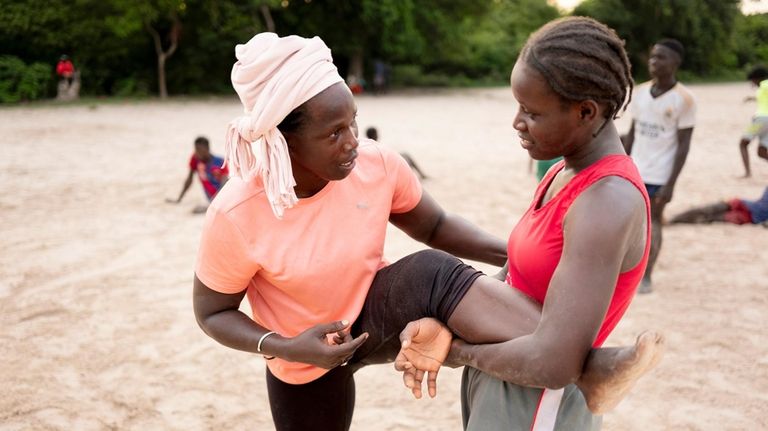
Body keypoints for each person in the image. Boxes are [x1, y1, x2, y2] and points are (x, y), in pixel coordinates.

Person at [192, 32, 662, 431]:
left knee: (430, 273)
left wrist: (515, 256)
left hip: (373, 313)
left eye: (353, 122)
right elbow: (213, 312)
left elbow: (435, 226)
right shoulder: (238, 213)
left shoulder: (374, 164)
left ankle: (577, 361)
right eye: (334, 133)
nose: (354, 141)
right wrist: (283, 346)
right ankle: (585, 362)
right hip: (303, 350)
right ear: (284, 140)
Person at [394, 17, 661, 430]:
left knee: (434, 271)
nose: (517, 122)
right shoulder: (562, 173)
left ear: (585, 112)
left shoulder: (607, 201)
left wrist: (459, 351)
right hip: (504, 374)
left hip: (536, 399)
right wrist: (445, 326)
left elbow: (553, 364)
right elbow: (513, 278)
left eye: (531, 112)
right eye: (518, 106)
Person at [622, 38, 696, 294]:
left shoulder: (684, 99)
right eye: (653, 56)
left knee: (653, 223)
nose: (654, 62)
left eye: (661, 57)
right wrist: (622, 164)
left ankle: (647, 277)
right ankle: (626, 273)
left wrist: (671, 183)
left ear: (675, 62)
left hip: (660, 175)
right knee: (627, 223)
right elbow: (632, 133)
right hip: (634, 170)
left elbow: (684, 145)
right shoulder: (640, 92)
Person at [166, 136, 228, 213]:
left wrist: (215, 202)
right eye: (196, 150)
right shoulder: (195, 159)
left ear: (207, 148)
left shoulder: (220, 162)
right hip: (211, 200)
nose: (197, 153)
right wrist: (179, 199)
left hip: (222, 198)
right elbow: (189, 179)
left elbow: (225, 182)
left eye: (200, 150)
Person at [670, 186, 768, 226]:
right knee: (709, 214)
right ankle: (675, 219)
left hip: (749, 214)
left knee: (709, 213)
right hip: (749, 212)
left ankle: (675, 219)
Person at [739, 66, 768, 178]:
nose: (752, 83)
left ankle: (747, 173)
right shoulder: (762, 87)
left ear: (758, 78)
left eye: (753, 80)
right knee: (761, 152)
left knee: (743, 143)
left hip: (760, 120)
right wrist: (751, 98)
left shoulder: (765, 84)